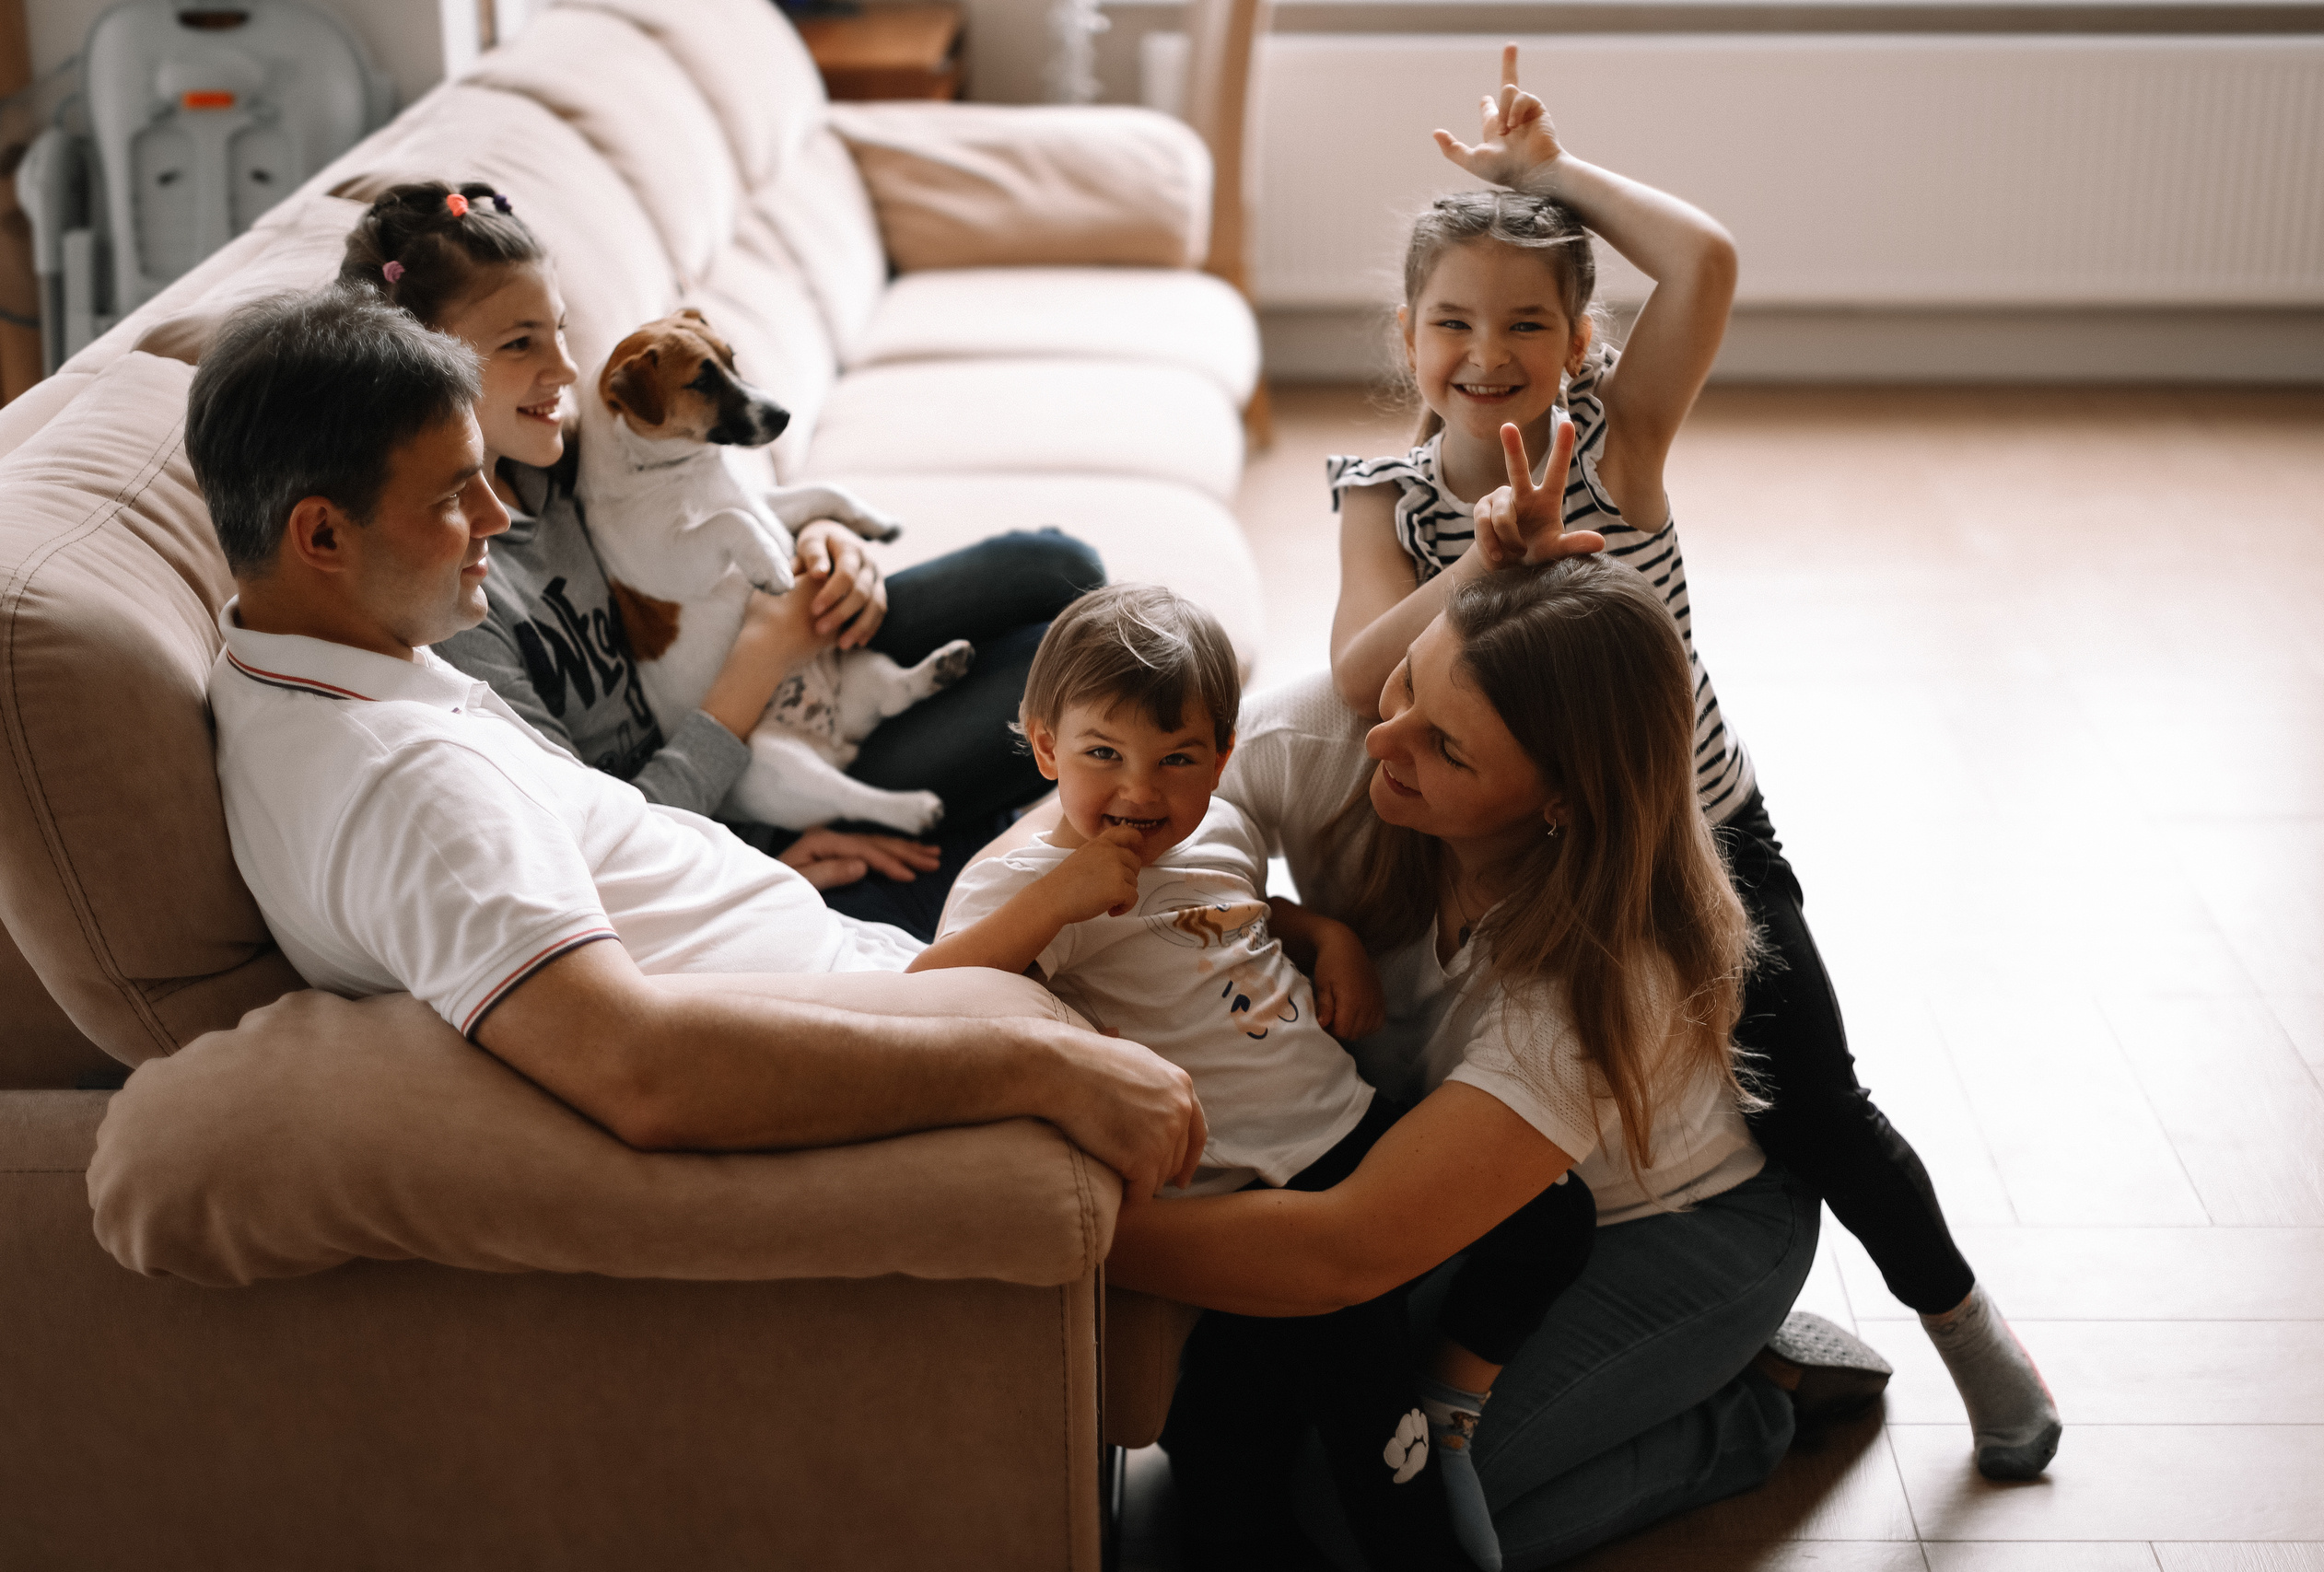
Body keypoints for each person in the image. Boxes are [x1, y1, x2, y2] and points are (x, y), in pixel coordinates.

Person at [1325, 49, 2058, 1482]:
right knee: (1585, 1134)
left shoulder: (1620, 442)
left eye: (1527, 324)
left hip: (1698, 834)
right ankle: (1735, 1339)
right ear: (1407, 338)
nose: (1488, 354)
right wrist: (1480, 559)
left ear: (1582, 341)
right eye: (1452, 323)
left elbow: (1707, 260)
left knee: (1809, 1096)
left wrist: (1548, 178)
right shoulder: (1384, 499)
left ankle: (1967, 1325)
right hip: (1525, 862)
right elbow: (1357, 674)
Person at [186, 285, 1203, 1212]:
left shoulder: (312, 664)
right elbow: (639, 1071)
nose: (499, 516)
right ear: (321, 537)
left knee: (1194, 863)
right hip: (890, 1009)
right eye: (456, 496)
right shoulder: (406, 789)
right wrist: (1038, 1064)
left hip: (847, 952)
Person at [1112, 556, 1859, 1571]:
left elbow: (1344, 1249)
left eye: (1445, 750)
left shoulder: (1608, 975)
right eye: (1408, 680)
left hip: (1684, 1227)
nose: (1382, 737)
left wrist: (1058, 1226)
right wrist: (1299, 921)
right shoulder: (1343, 738)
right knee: (1236, 1438)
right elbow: (1114, 821)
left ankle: (1746, 1407)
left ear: (1559, 802)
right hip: (1484, 1195)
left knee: (1352, 1518)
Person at [914, 583, 1596, 1567]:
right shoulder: (1021, 888)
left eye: (1177, 759)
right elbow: (925, 1000)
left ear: (1222, 757)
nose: (1141, 794)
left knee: (1553, 1212)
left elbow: (1232, 916)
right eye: (1102, 755)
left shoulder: (1218, 829)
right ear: (1045, 745)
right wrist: (1053, 906)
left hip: (1349, 1119)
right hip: (1255, 1182)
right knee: (1372, 1454)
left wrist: (1327, 937)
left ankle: (1448, 1401)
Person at [338, 180, 1106, 937]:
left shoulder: (554, 462)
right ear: (422, 369)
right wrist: (766, 843)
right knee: (1079, 680)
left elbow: (708, 499)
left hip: (791, 645)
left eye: (560, 330)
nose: (569, 370)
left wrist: (818, 542)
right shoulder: (460, 606)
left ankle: (989, 829)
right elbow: (598, 841)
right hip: (749, 798)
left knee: (1055, 565)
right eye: (520, 342)